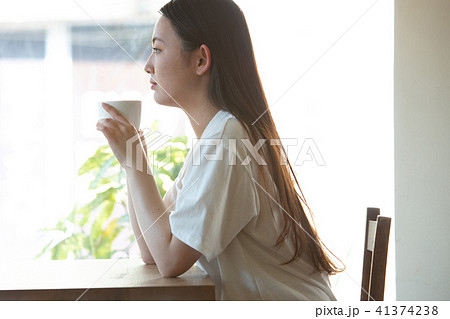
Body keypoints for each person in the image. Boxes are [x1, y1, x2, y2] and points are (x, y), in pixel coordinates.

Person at [97, 0, 343, 300]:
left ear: (201, 60)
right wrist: (131, 159)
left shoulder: (228, 137)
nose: (147, 65)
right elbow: (153, 249)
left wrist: (136, 165)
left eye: (158, 49)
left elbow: (170, 261)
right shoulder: (214, 138)